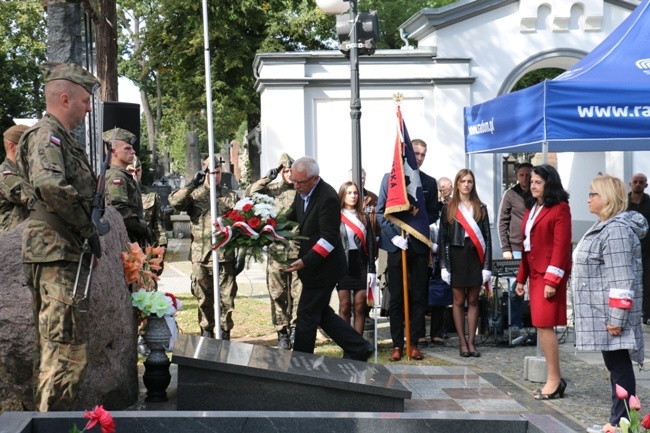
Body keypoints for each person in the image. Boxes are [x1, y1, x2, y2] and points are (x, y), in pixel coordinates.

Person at [15, 62, 101, 411]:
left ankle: (48, 420)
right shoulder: (45, 135)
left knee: (56, 350)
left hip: (62, 250)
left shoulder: (61, 139)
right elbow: (49, 184)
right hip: (56, 248)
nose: (89, 108)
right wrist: (86, 226)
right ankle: (52, 424)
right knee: (65, 355)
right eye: (84, 101)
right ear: (65, 99)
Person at [574, 175, 647, 433]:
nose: (588, 198)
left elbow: (621, 277)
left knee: (618, 367)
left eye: (592, 194)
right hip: (601, 312)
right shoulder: (605, 225)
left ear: (606, 198)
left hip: (610, 314)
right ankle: (618, 422)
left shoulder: (615, 230)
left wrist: (617, 318)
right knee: (615, 367)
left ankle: (621, 424)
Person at [284, 156, 373, 361]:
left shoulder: (328, 198)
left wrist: (306, 260)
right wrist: (265, 226)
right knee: (322, 314)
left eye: (300, 182)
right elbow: (290, 217)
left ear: (315, 179)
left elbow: (329, 239)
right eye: (294, 181)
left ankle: (300, 362)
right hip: (312, 267)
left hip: (324, 268)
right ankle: (359, 347)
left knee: (306, 315)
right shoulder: (302, 191)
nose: (296, 186)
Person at [514, 164, 571, 400]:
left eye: (538, 181)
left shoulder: (561, 208)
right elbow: (527, 246)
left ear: (549, 184)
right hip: (535, 273)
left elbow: (561, 247)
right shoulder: (532, 207)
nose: (532, 184)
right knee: (540, 325)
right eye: (532, 181)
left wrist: (552, 280)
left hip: (550, 275)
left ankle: (554, 380)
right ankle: (554, 378)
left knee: (546, 326)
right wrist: (521, 278)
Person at [169, 158, 239, 339]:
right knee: (203, 298)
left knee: (226, 299)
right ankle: (206, 331)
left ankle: (224, 332)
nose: (214, 175)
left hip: (225, 256)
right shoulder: (195, 194)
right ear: (204, 172)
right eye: (210, 172)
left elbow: (241, 224)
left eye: (218, 172)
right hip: (201, 256)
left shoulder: (230, 196)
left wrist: (242, 254)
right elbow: (176, 202)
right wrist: (193, 183)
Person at [246, 153, 301, 349]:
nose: (288, 175)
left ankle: (295, 329)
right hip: (277, 251)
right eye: (284, 171)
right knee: (277, 293)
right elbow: (251, 193)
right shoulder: (273, 190)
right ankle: (282, 331)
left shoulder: (301, 190)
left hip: (297, 251)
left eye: (290, 170)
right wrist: (268, 177)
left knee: (298, 293)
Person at [439, 169, 492, 358]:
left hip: (475, 256)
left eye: (469, 181)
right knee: (459, 301)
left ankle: (472, 342)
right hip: (456, 255)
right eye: (463, 181)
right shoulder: (449, 207)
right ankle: (462, 342)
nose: (466, 185)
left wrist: (487, 266)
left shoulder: (481, 207)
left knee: (473, 300)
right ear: (457, 184)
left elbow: (487, 239)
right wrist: (444, 266)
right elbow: (443, 239)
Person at [497, 162, 533, 335]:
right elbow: (502, 222)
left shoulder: (538, 193)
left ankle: (534, 323)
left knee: (535, 288)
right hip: (516, 248)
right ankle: (515, 325)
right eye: (522, 175)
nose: (525, 178)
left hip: (535, 247)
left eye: (528, 175)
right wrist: (506, 248)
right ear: (517, 176)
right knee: (515, 288)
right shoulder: (510, 194)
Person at [337, 181, 376, 334]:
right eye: (349, 193)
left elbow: (371, 244)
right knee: (345, 306)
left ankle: (357, 344)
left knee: (360, 306)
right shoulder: (336, 216)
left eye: (355, 193)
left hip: (361, 263)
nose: (353, 196)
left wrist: (372, 268)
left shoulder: (364, 217)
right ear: (343, 195)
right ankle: (346, 342)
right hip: (342, 264)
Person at [103, 127, 151, 246]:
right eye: (127, 148)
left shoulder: (124, 175)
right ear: (114, 151)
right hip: (125, 240)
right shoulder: (117, 177)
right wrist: (142, 227)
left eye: (132, 148)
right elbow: (119, 210)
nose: (133, 152)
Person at [429, 176, 453, 345]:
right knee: (421, 293)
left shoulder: (450, 207)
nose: (443, 192)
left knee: (440, 293)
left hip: (443, 254)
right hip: (426, 253)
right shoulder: (428, 207)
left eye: (447, 188)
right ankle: (419, 333)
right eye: (441, 189)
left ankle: (437, 332)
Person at [127, 156, 168, 250]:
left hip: (147, 247)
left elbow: (159, 226)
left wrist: (161, 248)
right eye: (131, 171)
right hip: (126, 247)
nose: (135, 174)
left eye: (138, 170)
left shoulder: (152, 195)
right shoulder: (120, 195)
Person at [627, 173, 650, 325]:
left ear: (646, 185)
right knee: (629, 281)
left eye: (641, 182)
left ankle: (647, 314)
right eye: (635, 182)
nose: (638, 184)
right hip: (628, 249)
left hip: (647, 250)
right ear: (630, 184)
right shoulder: (624, 203)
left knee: (647, 282)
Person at [1, 124, 31, 233]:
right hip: (10, 241)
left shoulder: (26, 171)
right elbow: (28, 195)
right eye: (27, 145)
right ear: (12, 147)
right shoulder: (4, 174)